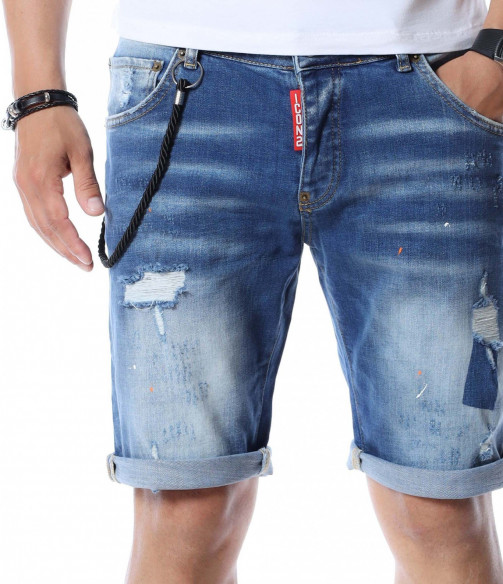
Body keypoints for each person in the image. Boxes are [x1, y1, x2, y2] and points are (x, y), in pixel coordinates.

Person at [3, 0, 503, 582]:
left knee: (438, 509)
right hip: (183, 93)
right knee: (183, 514)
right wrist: (39, 94)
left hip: (426, 83)